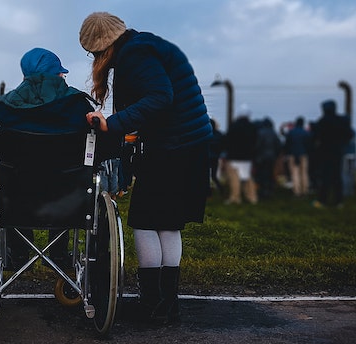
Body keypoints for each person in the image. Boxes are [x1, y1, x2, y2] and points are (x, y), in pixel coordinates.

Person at [79, 12, 212, 324]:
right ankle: (167, 304)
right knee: (167, 223)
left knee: (144, 221)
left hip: (173, 146)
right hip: (188, 144)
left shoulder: (135, 55)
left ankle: (152, 302)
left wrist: (111, 125)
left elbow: (160, 96)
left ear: (103, 47)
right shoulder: (145, 46)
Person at [0, 47, 97, 269]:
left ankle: (18, 253)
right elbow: (100, 148)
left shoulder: (4, 108)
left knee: (11, 184)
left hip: (14, 200)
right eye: (61, 73)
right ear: (57, 75)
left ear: (25, 75)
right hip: (68, 201)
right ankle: (58, 255)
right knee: (66, 181)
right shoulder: (78, 106)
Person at [311, 100, 354, 208]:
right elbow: (350, 134)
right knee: (337, 177)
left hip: (324, 152)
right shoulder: (341, 121)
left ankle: (322, 200)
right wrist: (342, 143)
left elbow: (315, 136)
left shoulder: (322, 121)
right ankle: (338, 201)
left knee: (325, 177)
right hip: (338, 151)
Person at [223, 105, 258, 205]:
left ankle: (235, 198)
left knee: (235, 178)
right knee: (247, 177)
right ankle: (252, 197)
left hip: (234, 157)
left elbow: (228, 141)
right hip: (247, 157)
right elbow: (255, 141)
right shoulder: (252, 127)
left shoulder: (233, 126)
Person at [254, 117, 282, 199]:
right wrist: (275, 155)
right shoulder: (274, 133)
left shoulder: (260, 132)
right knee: (270, 174)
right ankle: (270, 190)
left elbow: (257, 146)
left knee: (262, 175)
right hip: (272, 157)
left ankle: (263, 191)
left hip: (261, 158)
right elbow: (279, 146)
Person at [284, 116, 311, 197]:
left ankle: (297, 191)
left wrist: (287, 153)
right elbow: (309, 145)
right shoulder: (306, 133)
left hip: (293, 155)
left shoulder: (291, 132)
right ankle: (305, 190)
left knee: (295, 173)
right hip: (304, 154)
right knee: (304, 173)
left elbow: (287, 144)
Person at [208, 118, 224, 196]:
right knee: (214, 176)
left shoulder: (206, 134)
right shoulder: (219, 134)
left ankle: (208, 192)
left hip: (206, 158)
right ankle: (221, 190)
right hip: (215, 158)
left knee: (205, 176)